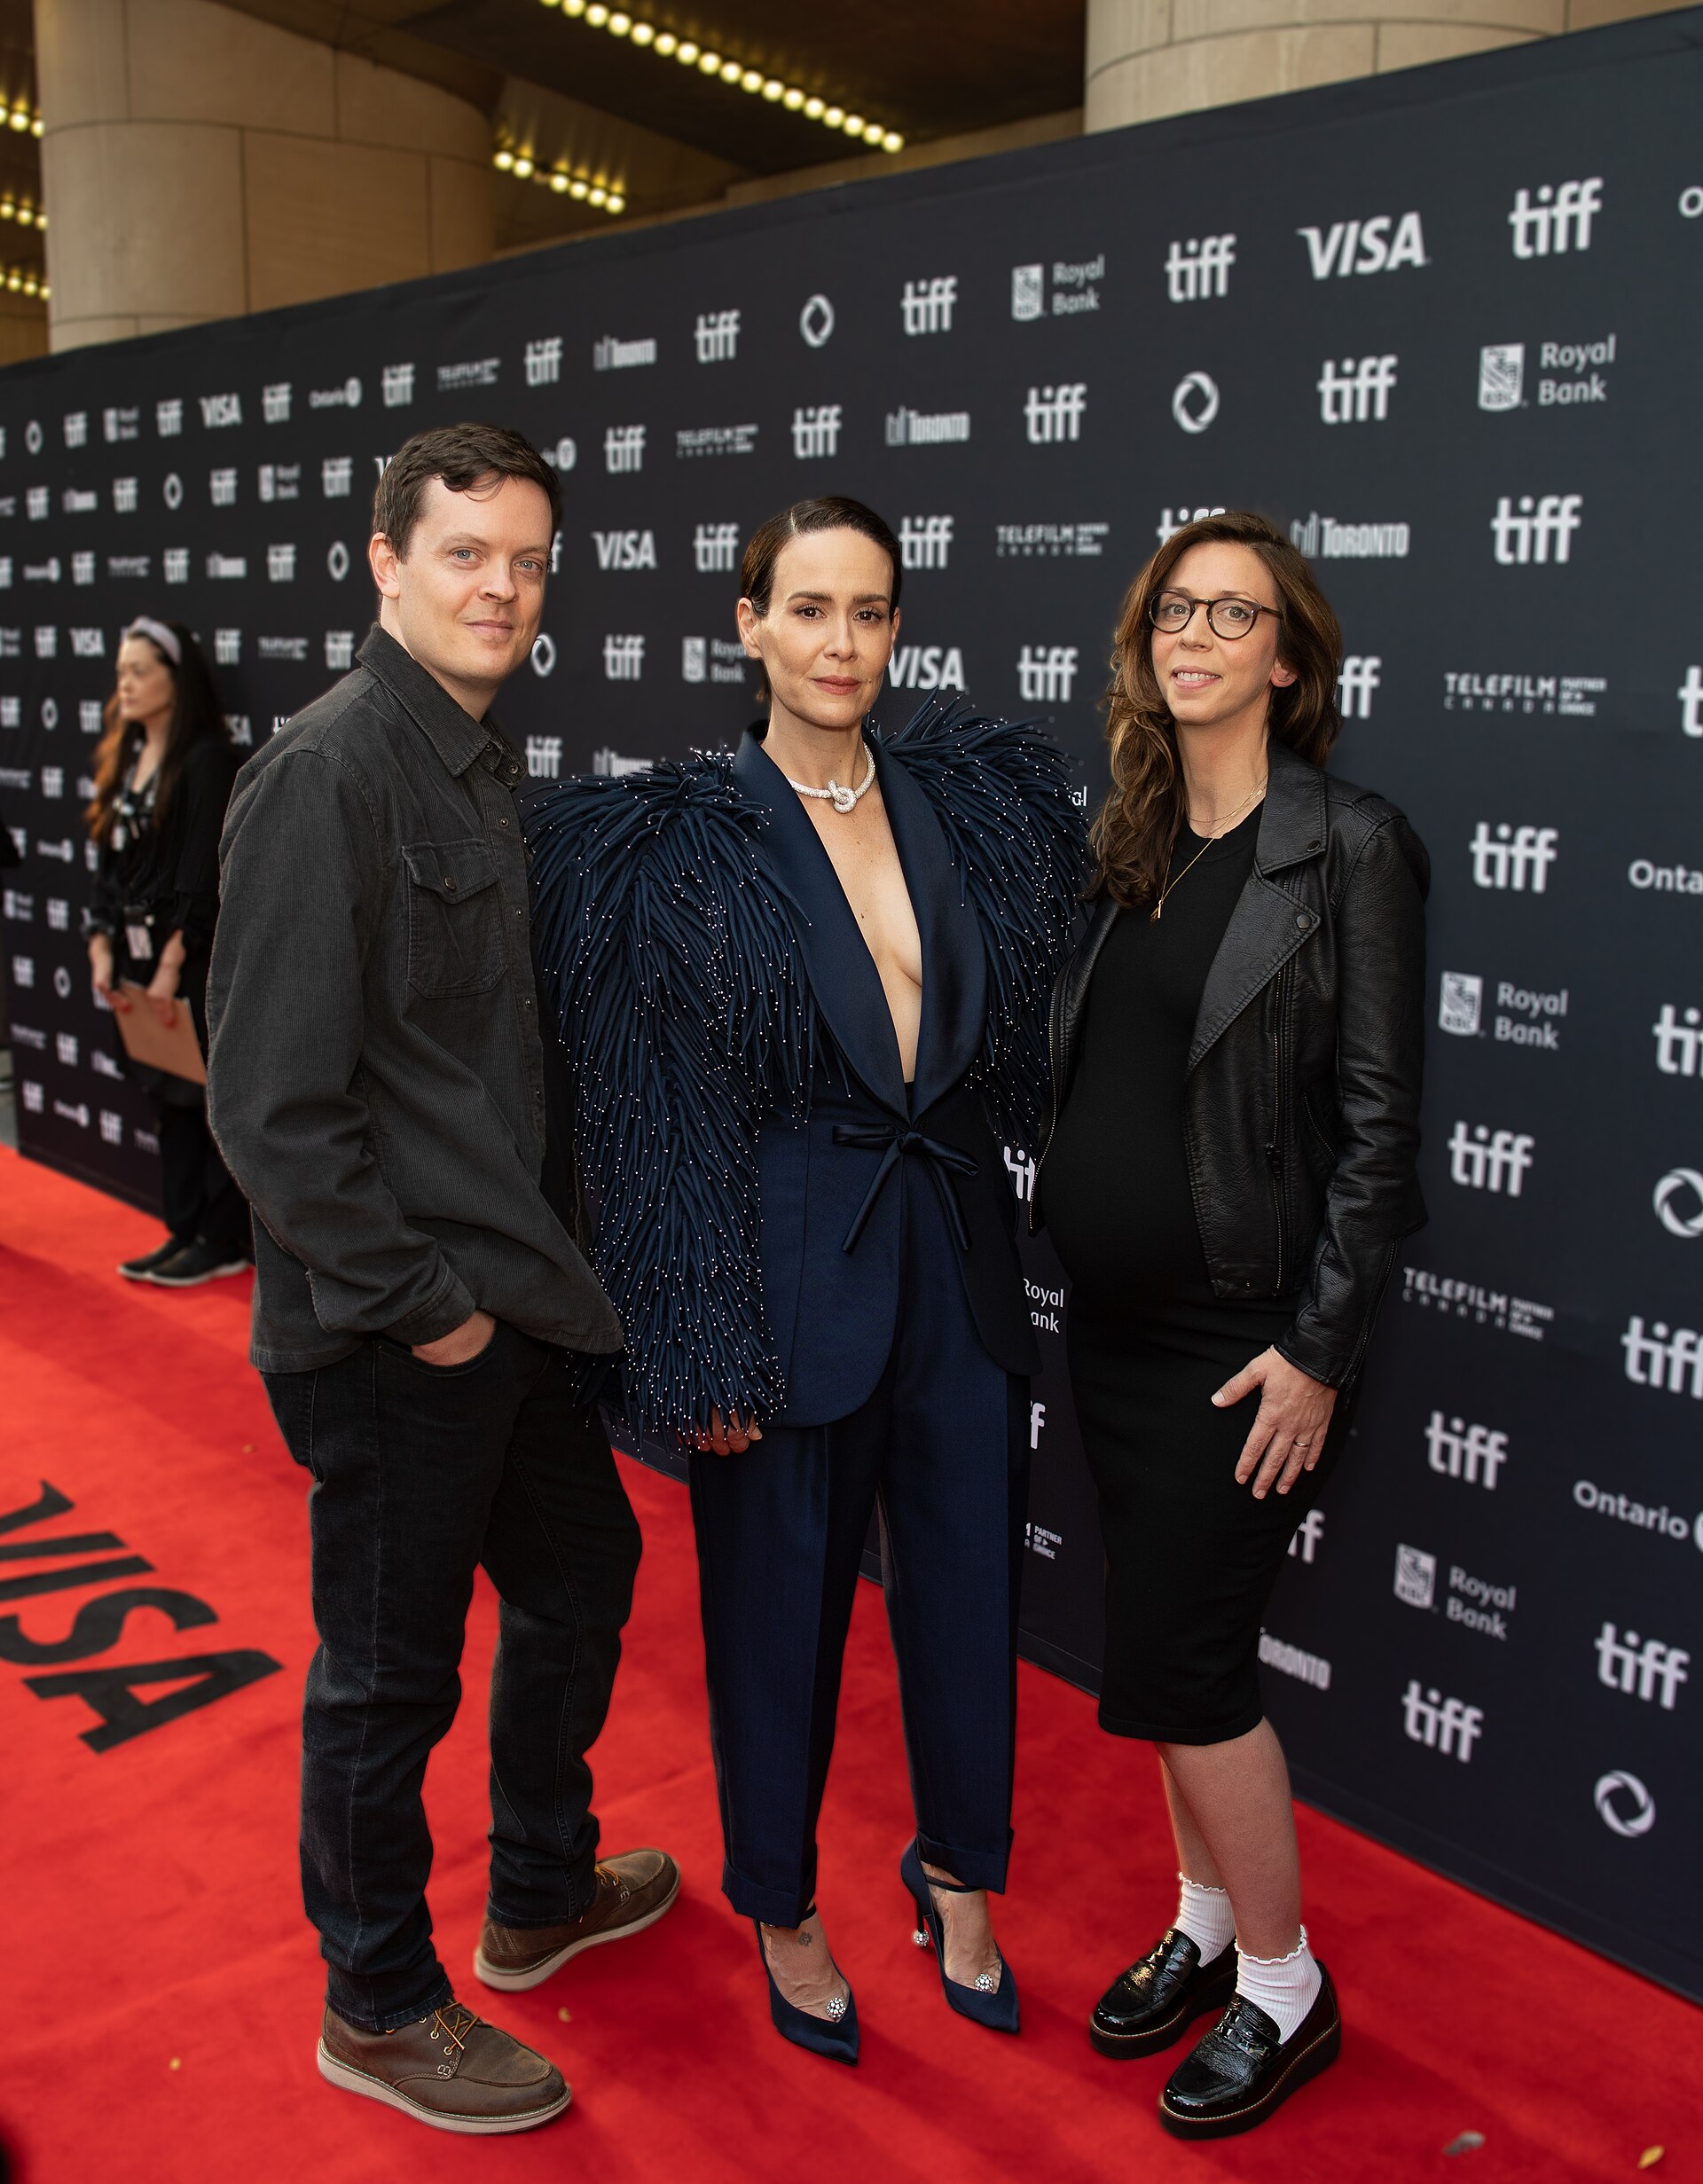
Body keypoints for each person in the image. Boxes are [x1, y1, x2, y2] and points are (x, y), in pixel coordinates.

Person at [527, 498, 1082, 2063]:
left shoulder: (963, 807)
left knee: (969, 1599)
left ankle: (960, 1872)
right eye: (812, 608)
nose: (844, 642)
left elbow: (1008, 1039)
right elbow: (649, 1116)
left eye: (872, 610)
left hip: (958, 1269)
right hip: (775, 1294)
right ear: (749, 621)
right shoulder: (679, 839)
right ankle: (780, 1902)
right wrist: (694, 1341)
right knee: (775, 1625)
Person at [206, 424, 679, 2136]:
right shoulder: (330, 772)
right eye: (466, 552)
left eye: (528, 559)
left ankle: (538, 1885)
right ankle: (380, 1999)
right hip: (395, 1327)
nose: (503, 588)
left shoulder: (475, 759)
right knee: (390, 1672)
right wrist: (429, 1307)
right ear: (385, 562)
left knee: (584, 1569)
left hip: (503, 1306)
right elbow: (271, 1107)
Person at [1036, 512, 1427, 2139]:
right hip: (1114, 1333)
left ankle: (1284, 1979)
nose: (1195, 635)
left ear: (1288, 658)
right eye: (1173, 610)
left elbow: (1380, 1131)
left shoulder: (1349, 845)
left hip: (1245, 1346)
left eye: (1234, 613)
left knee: (1186, 1671)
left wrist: (1322, 1349)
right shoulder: (1131, 839)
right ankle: (1205, 1921)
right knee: (1159, 1650)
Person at [83, 619, 249, 1285]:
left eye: (138, 671)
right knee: (166, 1096)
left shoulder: (205, 760)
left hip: (189, 962)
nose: (123, 684)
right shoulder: (125, 759)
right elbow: (108, 864)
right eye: (120, 671)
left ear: (175, 681)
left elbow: (202, 872)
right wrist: (102, 944)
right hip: (136, 961)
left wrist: (174, 965)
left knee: (206, 1098)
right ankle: (183, 1229)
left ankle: (222, 1237)